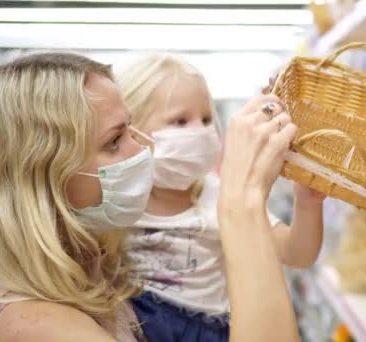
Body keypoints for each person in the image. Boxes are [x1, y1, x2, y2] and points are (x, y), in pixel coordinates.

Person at [0, 52, 300, 342]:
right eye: (114, 141)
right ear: (43, 178)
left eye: (132, 129)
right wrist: (242, 201)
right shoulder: (36, 326)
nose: (142, 149)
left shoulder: (92, 266)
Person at [115, 54, 325, 342]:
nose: (200, 132)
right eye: (179, 121)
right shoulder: (116, 202)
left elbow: (297, 254)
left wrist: (308, 204)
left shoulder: (222, 197)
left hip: (212, 330)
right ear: (130, 131)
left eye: (205, 119)